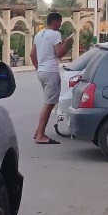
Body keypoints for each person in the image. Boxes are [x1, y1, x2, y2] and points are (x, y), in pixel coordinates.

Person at [30, 12, 73, 145]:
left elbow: (32, 54)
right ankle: (40, 135)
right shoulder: (55, 34)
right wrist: (67, 43)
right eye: (60, 22)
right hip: (51, 71)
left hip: (42, 71)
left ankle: (37, 131)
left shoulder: (39, 34)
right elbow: (59, 53)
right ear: (55, 21)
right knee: (49, 104)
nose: (60, 25)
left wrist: (38, 67)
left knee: (49, 101)